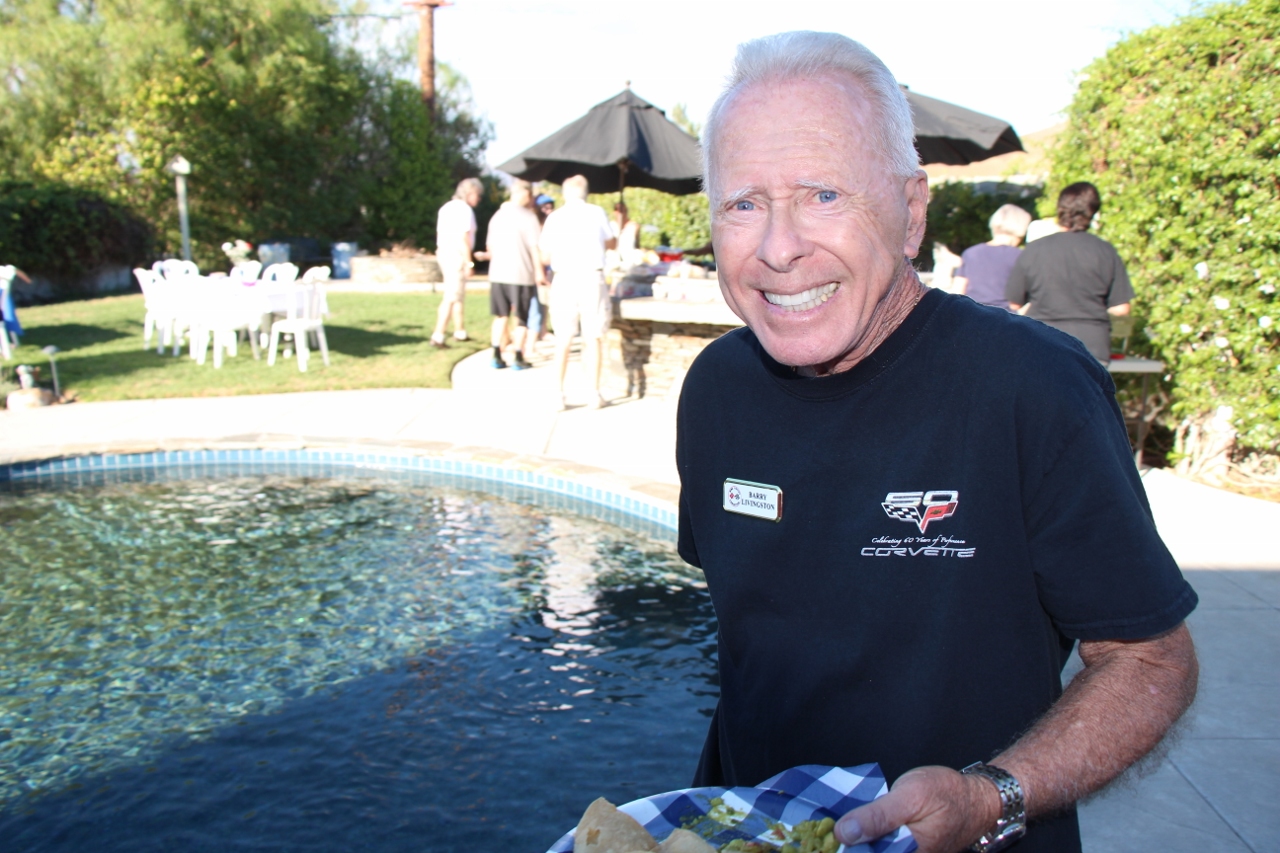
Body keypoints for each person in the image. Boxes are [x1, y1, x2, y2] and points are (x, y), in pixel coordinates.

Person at [677, 31, 1197, 853]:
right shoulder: (714, 389)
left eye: (823, 195)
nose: (778, 248)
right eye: (743, 203)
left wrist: (991, 796)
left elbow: (1152, 663)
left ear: (911, 212)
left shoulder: (1033, 385)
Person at [1005, 183, 1133, 362]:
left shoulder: (1034, 250)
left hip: (1042, 341)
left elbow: (1014, 302)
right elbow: (1121, 309)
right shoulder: (1106, 251)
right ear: (1093, 212)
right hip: (1092, 346)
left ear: (1060, 209)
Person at [538, 175, 616, 410]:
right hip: (591, 276)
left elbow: (544, 256)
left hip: (564, 278)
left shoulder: (555, 217)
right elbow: (612, 243)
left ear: (565, 194)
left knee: (563, 337)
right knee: (593, 336)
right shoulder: (596, 212)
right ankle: (593, 393)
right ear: (586, 192)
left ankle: (558, 394)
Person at [479, 179, 546, 369]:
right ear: (525, 194)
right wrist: (539, 272)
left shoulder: (497, 216)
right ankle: (518, 356)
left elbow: (490, 247)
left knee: (501, 315)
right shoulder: (528, 217)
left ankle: (496, 354)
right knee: (522, 318)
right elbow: (535, 249)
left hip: (498, 274)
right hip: (521, 275)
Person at [430, 177, 483, 348]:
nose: (479, 198)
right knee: (452, 296)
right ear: (469, 193)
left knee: (458, 294)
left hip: (444, 253)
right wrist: (470, 262)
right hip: (456, 256)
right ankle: (438, 335)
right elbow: (463, 237)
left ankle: (460, 331)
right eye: (477, 194)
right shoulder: (463, 209)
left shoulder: (446, 207)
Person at [952, 204, 1033, 310]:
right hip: (1005, 318)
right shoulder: (1020, 256)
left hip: (972, 314)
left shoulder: (971, 253)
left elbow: (957, 290)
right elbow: (1018, 301)